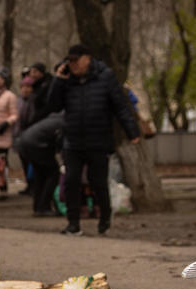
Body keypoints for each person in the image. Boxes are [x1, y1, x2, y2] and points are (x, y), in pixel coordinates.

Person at [48, 44, 140, 236]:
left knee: (97, 182)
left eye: (76, 61)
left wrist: (132, 132)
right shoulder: (66, 80)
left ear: (87, 58)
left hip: (98, 140)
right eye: (70, 61)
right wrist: (58, 80)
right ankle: (73, 224)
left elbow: (120, 106)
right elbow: (53, 106)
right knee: (71, 181)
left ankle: (104, 218)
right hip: (72, 140)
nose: (72, 65)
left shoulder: (105, 77)